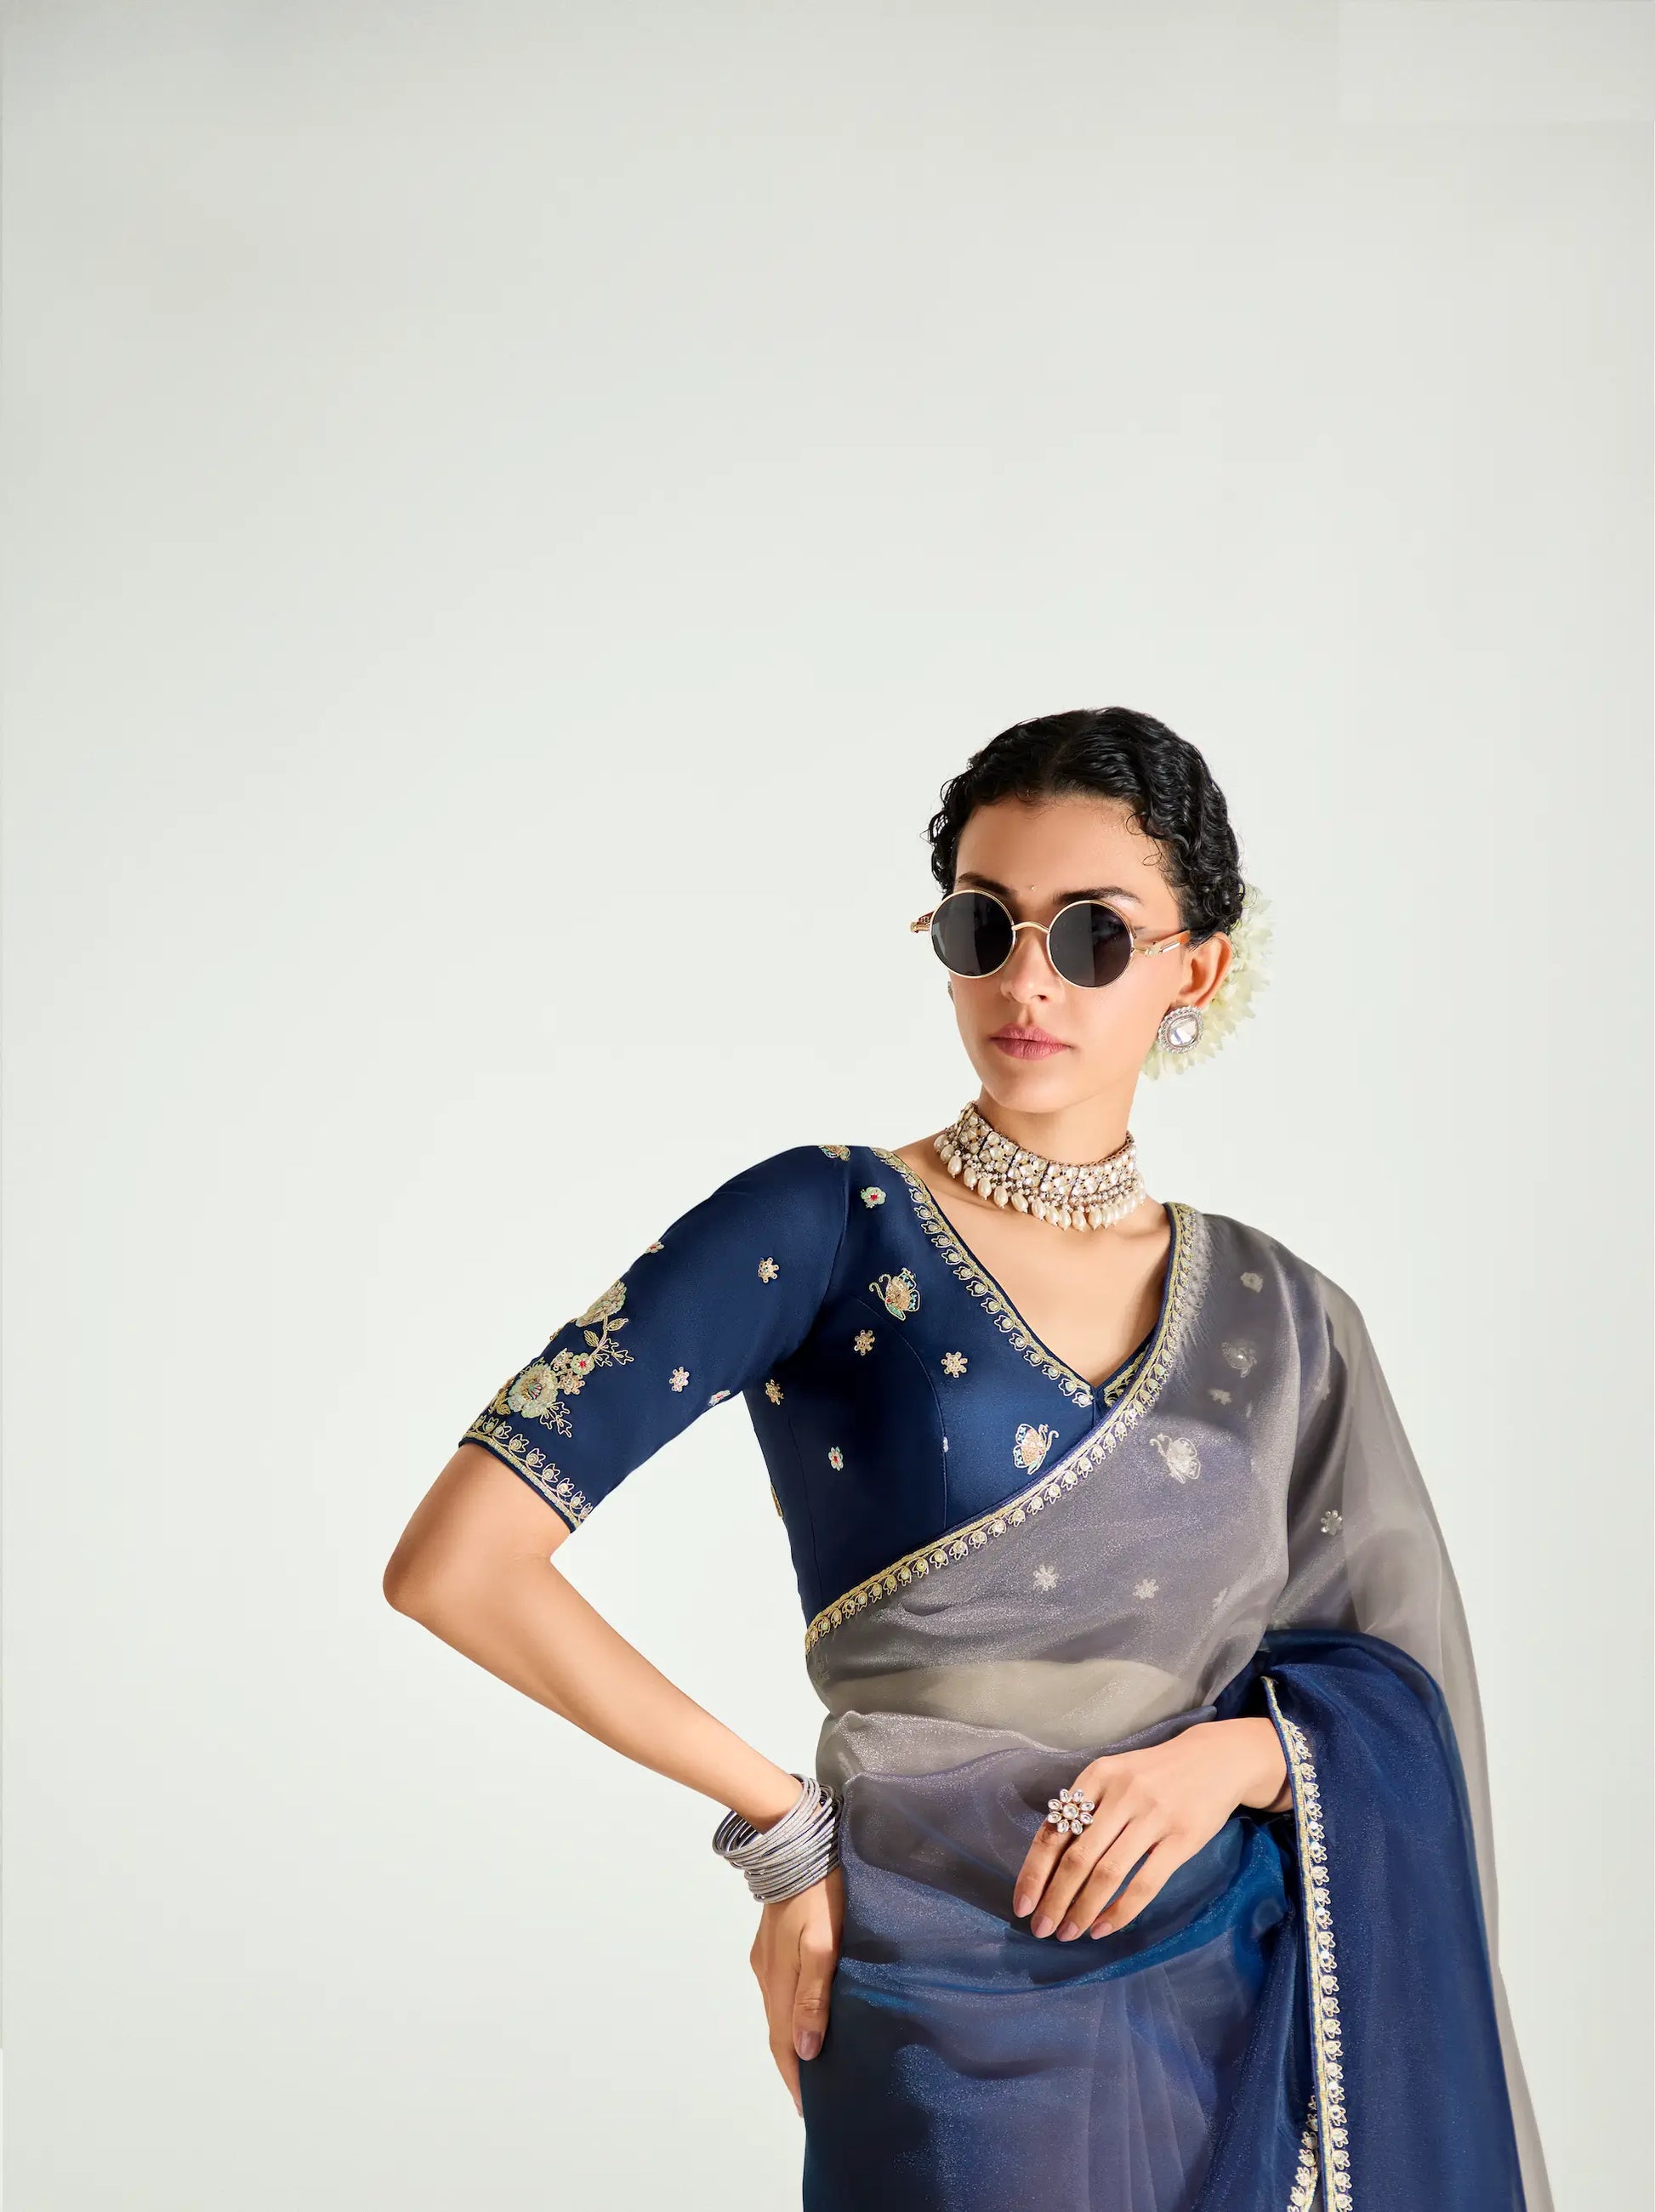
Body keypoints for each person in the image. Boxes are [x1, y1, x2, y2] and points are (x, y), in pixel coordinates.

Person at [383, 706, 1553, 2212]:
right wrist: (779, 1826)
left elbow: (1391, 1685)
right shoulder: (822, 1223)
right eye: (983, 925)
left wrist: (1237, 1756)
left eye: (1093, 935)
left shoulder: (1283, 1315)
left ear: (1194, 969)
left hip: (1232, 1999)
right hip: (928, 1989)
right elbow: (458, 1565)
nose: (1025, 980)